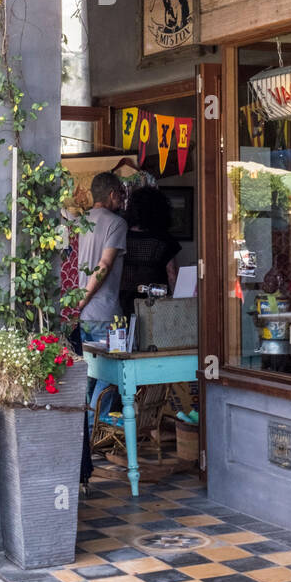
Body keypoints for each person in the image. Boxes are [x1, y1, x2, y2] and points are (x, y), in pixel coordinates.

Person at [72, 171, 128, 412]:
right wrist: (84, 299)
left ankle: (86, 434)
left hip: (80, 313)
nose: (123, 201)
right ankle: (95, 428)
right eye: (121, 195)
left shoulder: (78, 223)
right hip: (105, 313)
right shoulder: (116, 223)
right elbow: (104, 265)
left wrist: (77, 304)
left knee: (88, 375)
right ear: (112, 194)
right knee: (112, 372)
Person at [119, 187, 181, 320]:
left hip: (124, 301)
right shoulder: (164, 239)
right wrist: (177, 305)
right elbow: (172, 275)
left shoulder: (122, 235)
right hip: (156, 303)